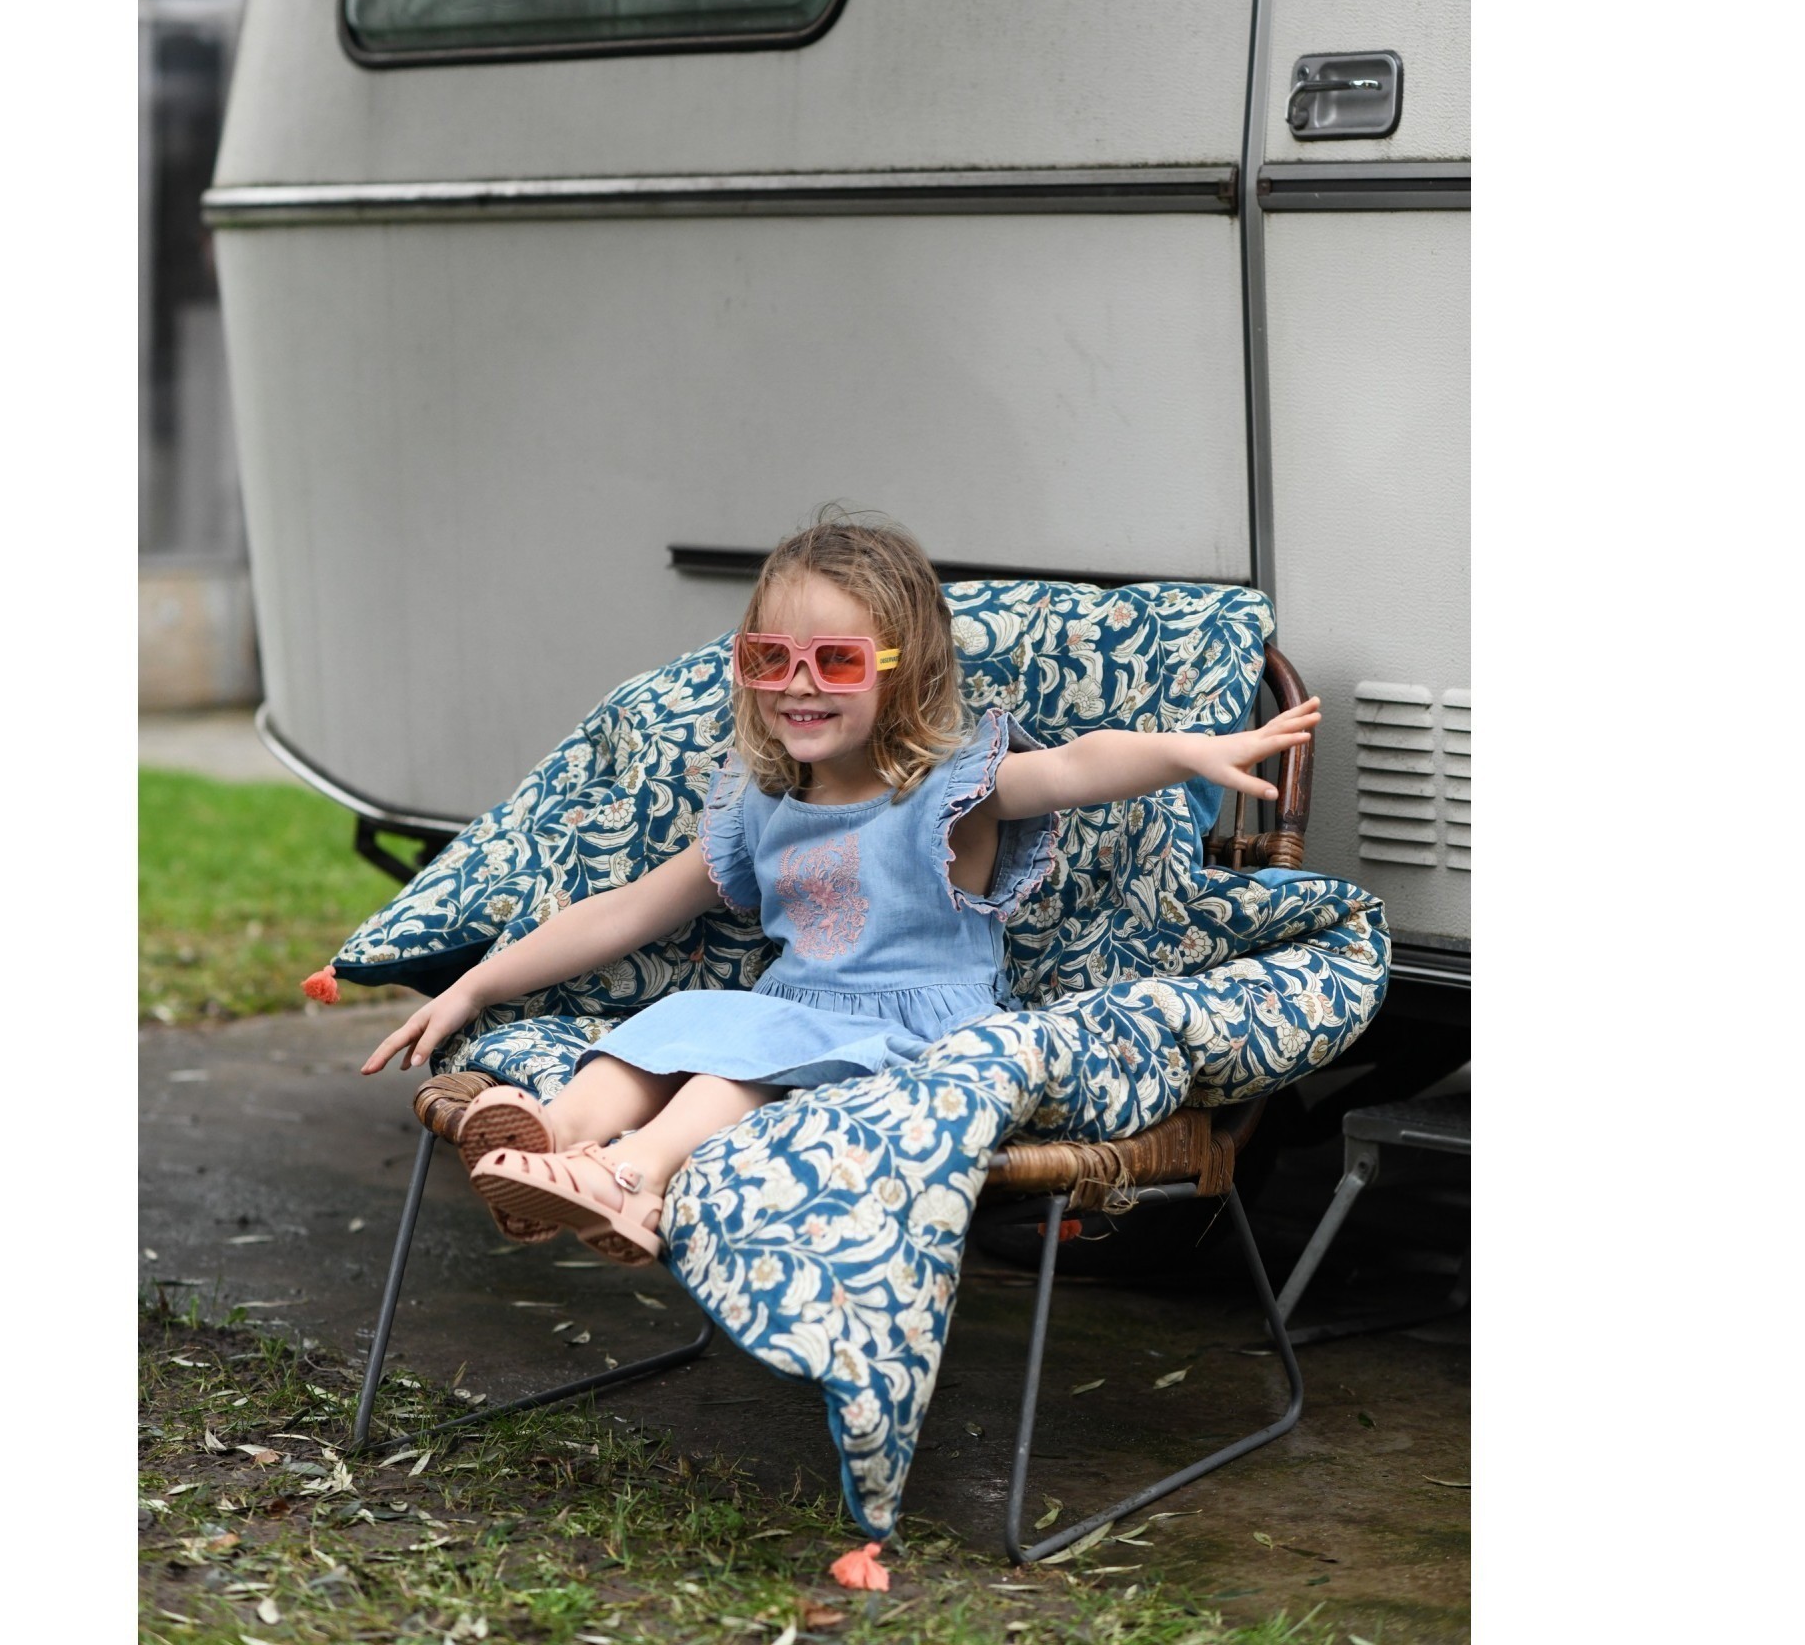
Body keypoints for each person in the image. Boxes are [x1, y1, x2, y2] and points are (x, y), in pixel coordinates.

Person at [360, 514, 1319, 1266]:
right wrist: (475, 986)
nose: (798, 683)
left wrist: (1191, 750)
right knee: (672, 1026)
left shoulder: (950, 791)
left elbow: (1077, 767)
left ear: (906, 673)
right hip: (792, 1014)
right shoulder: (762, 806)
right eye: (770, 658)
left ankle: (633, 1176)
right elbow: (627, 910)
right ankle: (555, 1138)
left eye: (837, 660)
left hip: (915, 1037)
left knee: (735, 1066)